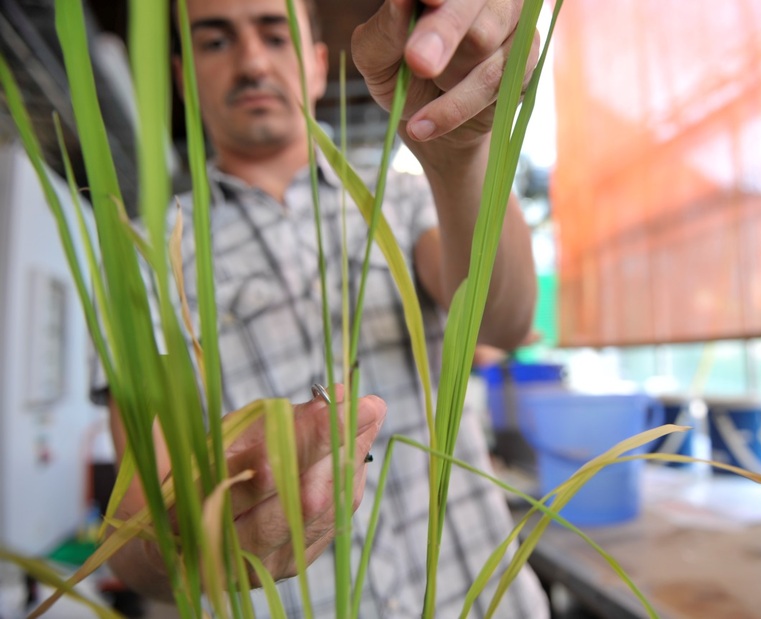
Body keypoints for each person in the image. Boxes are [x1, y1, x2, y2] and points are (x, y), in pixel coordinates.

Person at [100, 0, 550, 617]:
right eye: (215, 42)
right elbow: (131, 529)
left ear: (316, 66)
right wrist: (192, 548)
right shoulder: (147, 260)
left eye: (274, 34)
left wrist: (461, 159)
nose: (253, 62)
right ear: (183, 78)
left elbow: (504, 321)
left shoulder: (403, 198)